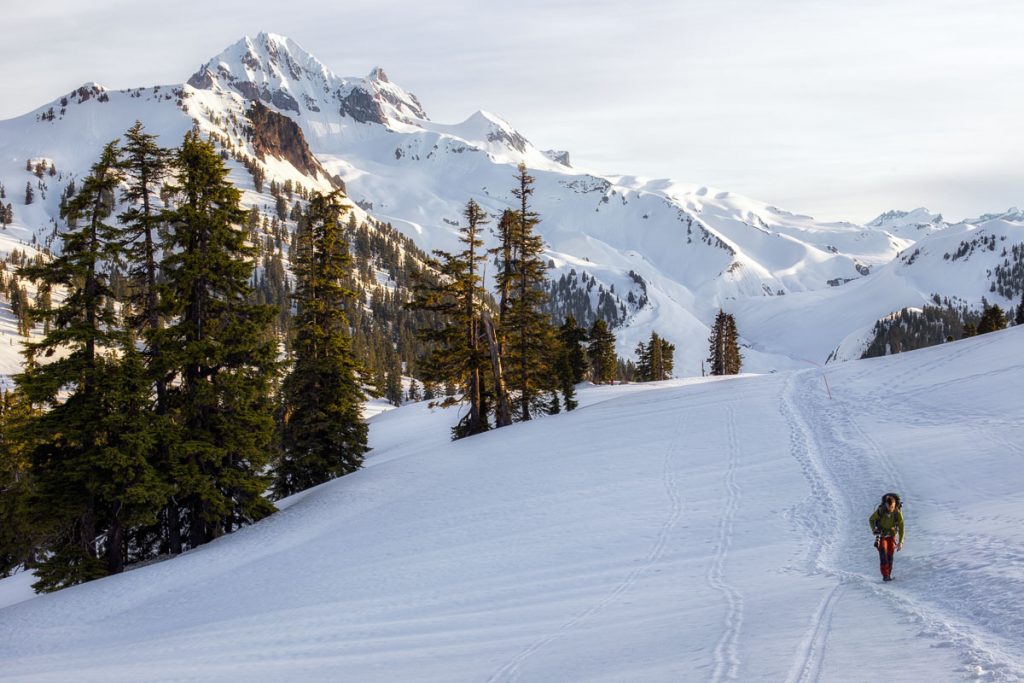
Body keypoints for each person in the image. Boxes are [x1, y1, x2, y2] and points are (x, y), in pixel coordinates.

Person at [869, 494, 904, 582]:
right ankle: (885, 576)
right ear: (886, 505)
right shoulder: (881, 510)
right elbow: (871, 519)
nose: (890, 509)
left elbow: (901, 528)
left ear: (895, 505)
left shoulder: (897, 513)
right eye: (888, 506)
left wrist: (901, 542)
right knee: (883, 555)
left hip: (892, 536)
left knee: (890, 556)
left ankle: (888, 575)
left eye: (892, 506)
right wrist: (874, 529)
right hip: (882, 535)